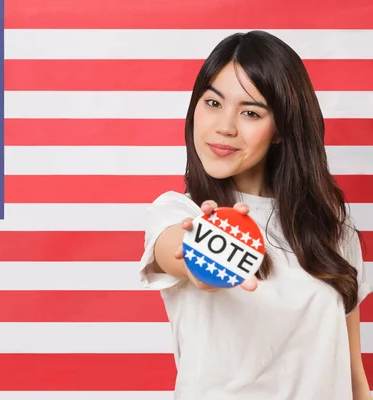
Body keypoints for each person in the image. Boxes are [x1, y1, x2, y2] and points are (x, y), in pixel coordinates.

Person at [139, 30, 372, 399]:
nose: (225, 126)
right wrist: (204, 257)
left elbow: (353, 373)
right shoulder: (179, 211)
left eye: (250, 112)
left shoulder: (330, 224)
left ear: (280, 129)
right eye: (213, 103)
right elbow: (179, 250)